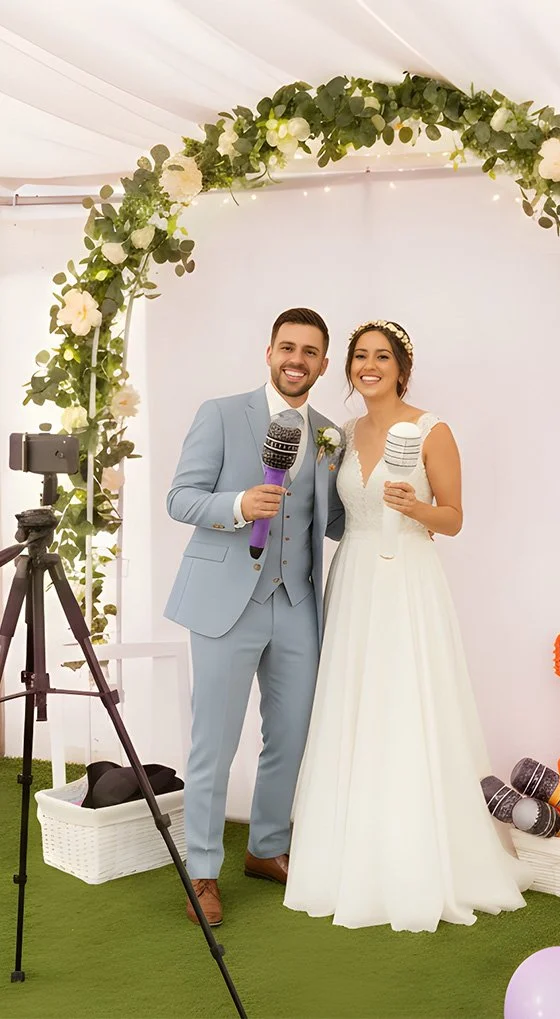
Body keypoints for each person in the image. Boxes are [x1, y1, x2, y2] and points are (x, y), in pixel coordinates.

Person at [284, 319, 530, 932]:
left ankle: (424, 858)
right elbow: (333, 513)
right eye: (360, 357)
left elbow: (454, 518)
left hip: (410, 579)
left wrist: (413, 507)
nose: (370, 366)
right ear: (348, 369)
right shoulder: (338, 435)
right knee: (355, 705)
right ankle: (350, 855)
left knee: (409, 706)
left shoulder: (431, 429)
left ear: (401, 368)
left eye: (382, 357)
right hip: (355, 577)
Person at [165, 307, 344, 926]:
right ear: (269, 352)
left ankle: (267, 848)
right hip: (224, 604)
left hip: (296, 605)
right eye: (287, 347)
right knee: (213, 742)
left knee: (291, 737)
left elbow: (334, 518)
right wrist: (239, 503)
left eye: (311, 351)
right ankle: (203, 872)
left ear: (323, 363)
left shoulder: (330, 434)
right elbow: (180, 498)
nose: (298, 359)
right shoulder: (220, 413)